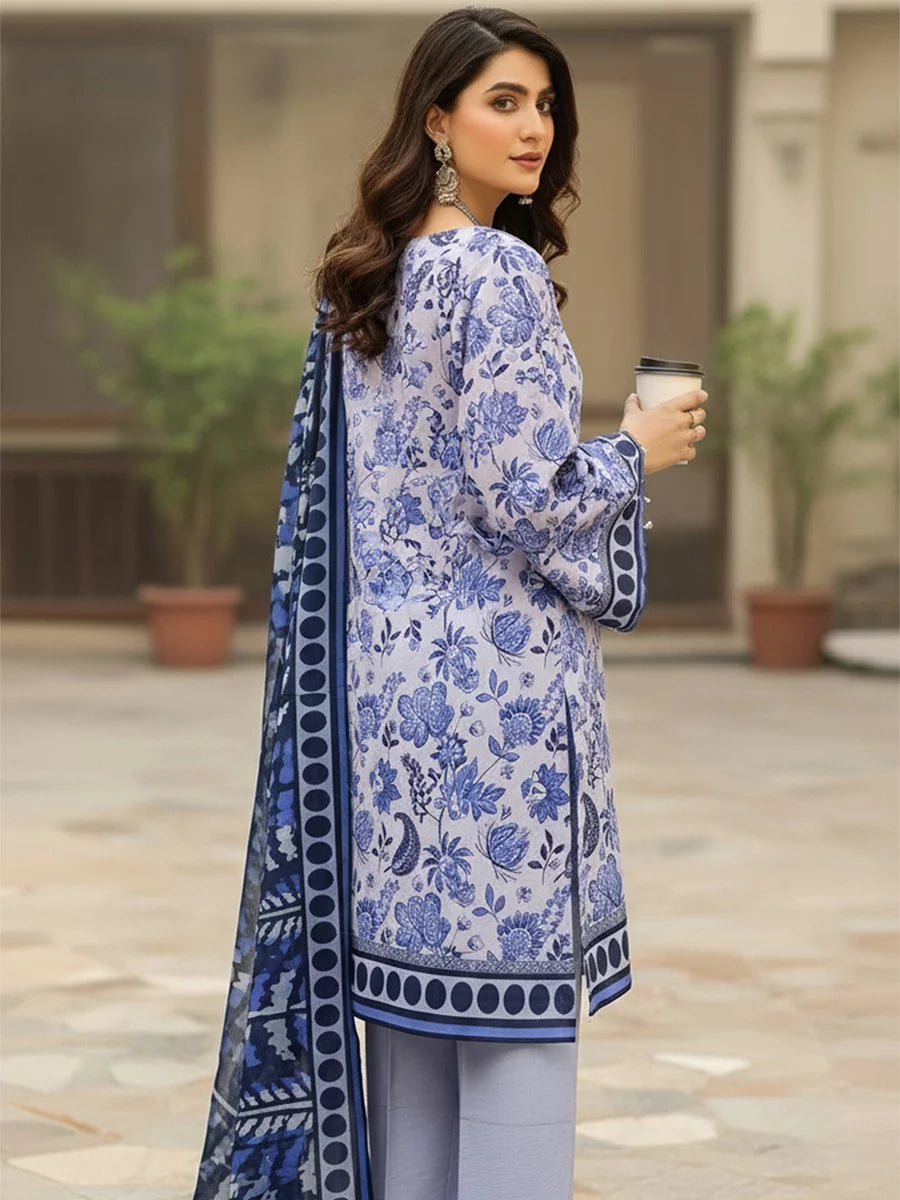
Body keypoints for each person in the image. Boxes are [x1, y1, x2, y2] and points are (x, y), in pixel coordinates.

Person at [192, 8, 707, 1200]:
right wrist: (637, 446)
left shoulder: (366, 281)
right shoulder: (497, 272)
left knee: (415, 1052)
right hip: (498, 728)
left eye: (545, 104)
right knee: (516, 1057)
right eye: (502, 102)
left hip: (387, 722)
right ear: (437, 119)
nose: (535, 128)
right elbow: (529, 500)